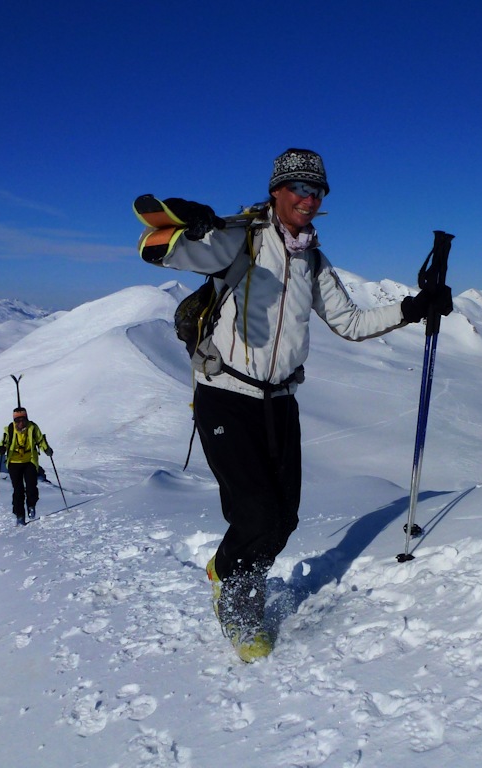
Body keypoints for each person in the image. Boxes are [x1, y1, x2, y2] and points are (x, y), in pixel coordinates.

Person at [138, 148, 452, 660]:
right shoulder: (239, 238)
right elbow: (164, 248)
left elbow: (349, 323)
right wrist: (190, 225)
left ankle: (235, 572)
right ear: (276, 191)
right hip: (225, 396)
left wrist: (413, 308)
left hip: (281, 402)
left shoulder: (312, 260)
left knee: (283, 518)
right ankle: (235, 594)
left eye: (317, 191)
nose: (309, 198)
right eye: (300, 188)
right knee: (258, 512)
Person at [0, 407, 54, 525]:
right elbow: (3, 443)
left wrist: (46, 449)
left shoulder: (32, 428)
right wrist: (1, 449)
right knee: (18, 490)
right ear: (14, 421)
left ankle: (31, 505)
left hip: (30, 461)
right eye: (18, 420)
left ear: (26, 418)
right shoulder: (10, 429)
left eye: (23, 419)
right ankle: (19, 515)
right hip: (14, 462)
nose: (21, 422)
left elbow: (40, 440)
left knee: (31, 486)